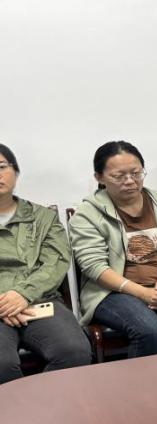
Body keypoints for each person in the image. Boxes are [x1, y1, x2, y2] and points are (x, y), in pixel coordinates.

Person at [69, 141, 157, 357]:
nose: (130, 181)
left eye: (136, 173)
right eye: (118, 176)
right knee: (149, 331)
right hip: (112, 291)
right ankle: (146, 381)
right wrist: (142, 293)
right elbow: (94, 266)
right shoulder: (87, 214)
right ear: (99, 177)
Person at [0, 144, 90, 383]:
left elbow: (56, 261)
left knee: (75, 351)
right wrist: (6, 303)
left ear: (15, 172)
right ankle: (16, 408)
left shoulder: (43, 217)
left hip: (40, 300)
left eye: (1, 167)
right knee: (2, 364)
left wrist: (22, 294)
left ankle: (43, 404)